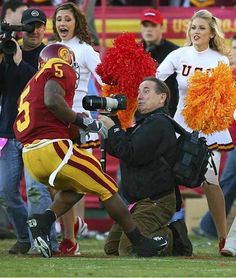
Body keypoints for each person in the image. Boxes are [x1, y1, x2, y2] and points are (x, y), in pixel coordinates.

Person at [13, 43, 168, 258]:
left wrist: (78, 130)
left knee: (78, 186)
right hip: (53, 149)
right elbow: (52, 101)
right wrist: (83, 121)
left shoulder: (33, 84)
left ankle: (43, 221)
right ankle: (139, 241)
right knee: (107, 187)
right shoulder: (59, 68)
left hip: (31, 155)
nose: (73, 68)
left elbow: (50, 113)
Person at [156, 9, 233, 252]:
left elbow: (224, 97)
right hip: (181, 126)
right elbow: (156, 79)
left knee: (211, 182)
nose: (196, 31)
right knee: (166, 180)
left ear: (211, 33)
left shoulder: (219, 60)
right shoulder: (179, 55)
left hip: (210, 130)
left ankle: (222, 236)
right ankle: (163, 232)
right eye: (193, 27)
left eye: (201, 28)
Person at [99, 77, 192, 256]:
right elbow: (119, 150)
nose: (139, 96)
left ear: (162, 97)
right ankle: (157, 235)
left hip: (156, 201)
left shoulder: (159, 123)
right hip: (138, 202)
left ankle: (172, 236)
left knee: (128, 248)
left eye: (146, 91)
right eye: (139, 91)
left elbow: (132, 153)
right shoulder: (145, 123)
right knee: (111, 248)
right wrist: (111, 123)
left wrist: (113, 129)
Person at [0, 7, 58, 254]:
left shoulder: (49, 55)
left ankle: (45, 242)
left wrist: (18, 62)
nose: (34, 30)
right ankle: (25, 237)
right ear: (21, 28)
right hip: (8, 130)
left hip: (36, 132)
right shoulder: (8, 50)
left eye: (39, 25)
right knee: (5, 191)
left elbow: (41, 87)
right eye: (29, 26)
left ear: (45, 28)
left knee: (36, 190)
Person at [51, 2, 103, 255]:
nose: (62, 23)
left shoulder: (85, 51)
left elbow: (105, 78)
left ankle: (70, 237)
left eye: (67, 19)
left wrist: (107, 111)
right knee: (56, 180)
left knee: (75, 181)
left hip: (79, 121)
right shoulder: (48, 50)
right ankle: (71, 230)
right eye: (59, 19)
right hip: (52, 120)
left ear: (77, 23)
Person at [140, 8, 179, 117]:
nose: (149, 29)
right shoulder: (134, 51)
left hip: (167, 112)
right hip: (139, 113)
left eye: (153, 25)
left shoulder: (175, 52)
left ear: (162, 27)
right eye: (145, 25)